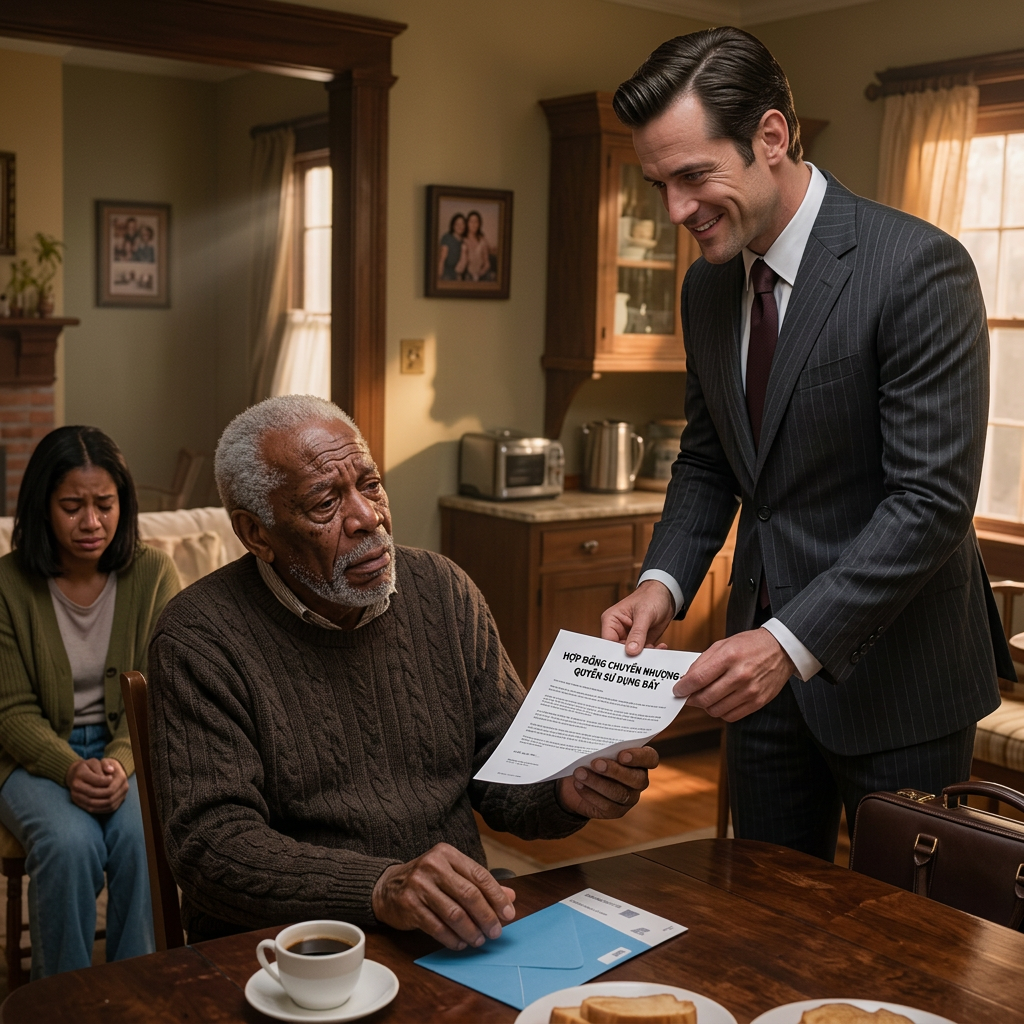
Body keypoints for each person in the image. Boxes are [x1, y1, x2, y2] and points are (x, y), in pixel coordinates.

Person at [600, 28, 1014, 860]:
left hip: (900, 681)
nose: (676, 211)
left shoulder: (917, 269)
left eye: (693, 177)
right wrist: (662, 581)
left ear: (772, 137)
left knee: (905, 947)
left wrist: (788, 645)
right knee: (766, 916)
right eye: (659, 185)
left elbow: (929, 505)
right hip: (757, 688)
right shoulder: (708, 286)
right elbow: (711, 459)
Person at [147, 395, 658, 949]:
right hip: (291, 948)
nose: (368, 518)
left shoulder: (442, 588)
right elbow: (210, 847)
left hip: (452, 924)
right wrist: (381, 886)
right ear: (257, 534)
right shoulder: (198, 637)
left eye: (369, 484)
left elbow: (504, 773)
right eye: (325, 502)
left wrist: (565, 790)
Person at [0, 426, 180, 978]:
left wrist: (119, 761)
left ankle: (137, 995)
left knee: (140, 839)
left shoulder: (153, 574)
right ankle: (62, 1004)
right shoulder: (7, 584)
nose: (91, 522)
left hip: (128, 751)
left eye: (105, 505)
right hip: (31, 759)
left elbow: (160, 691)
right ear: (42, 507)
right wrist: (70, 766)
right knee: (69, 842)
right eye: (72, 506)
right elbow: (9, 710)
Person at [463, 210, 494, 281]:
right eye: (471, 221)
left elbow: (487, 263)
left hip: (482, 275)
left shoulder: (482, 240)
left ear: (479, 224)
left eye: (476, 222)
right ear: (467, 223)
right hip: (466, 275)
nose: (473, 224)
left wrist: (478, 274)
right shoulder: (463, 240)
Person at [438, 212, 468, 281]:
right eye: (457, 224)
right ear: (453, 225)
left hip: (461, 274)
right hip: (447, 273)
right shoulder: (447, 238)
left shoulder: (465, 241)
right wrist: (439, 276)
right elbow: (442, 259)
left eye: (462, 224)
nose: (460, 226)